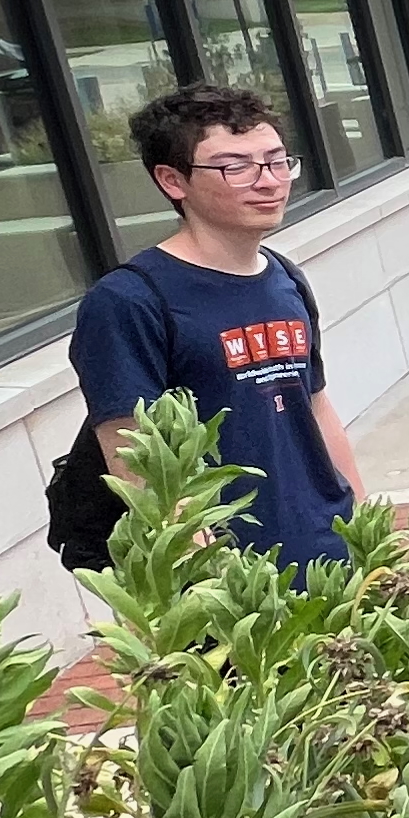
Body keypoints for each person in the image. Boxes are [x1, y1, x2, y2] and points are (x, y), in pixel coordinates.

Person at [73, 81, 360, 573]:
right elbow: (132, 454)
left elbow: (313, 403)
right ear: (172, 181)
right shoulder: (129, 301)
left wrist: (363, 523)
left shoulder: (285, 277)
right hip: (229, 577)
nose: (268, 181)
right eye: (236, 167)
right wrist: (204, 576)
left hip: (325, 552)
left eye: (275, 161)